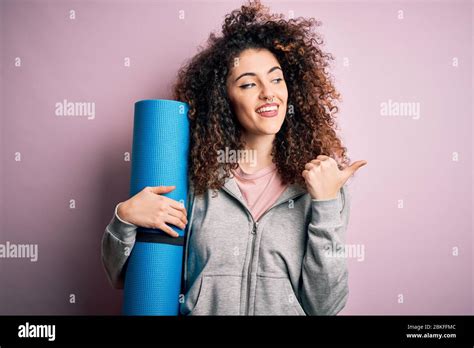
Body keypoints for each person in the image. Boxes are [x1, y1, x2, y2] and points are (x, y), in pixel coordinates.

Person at [101, 0, 367, 315]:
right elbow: (123, 278)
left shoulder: (321, 185)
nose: (269, 92)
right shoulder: (192, 179)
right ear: (224, 99)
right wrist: (124, 219)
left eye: (276, 79)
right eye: (249, 84)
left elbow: (325, 307)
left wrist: (325, 205)